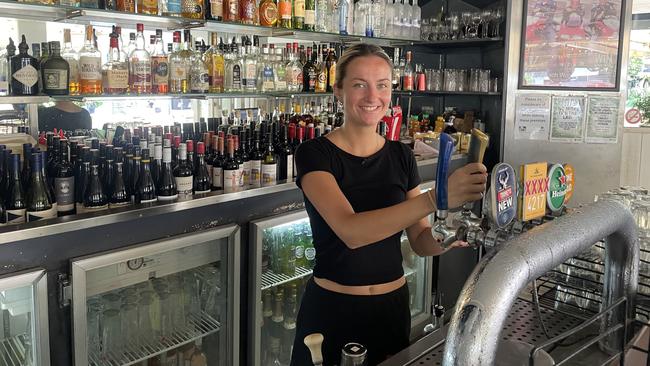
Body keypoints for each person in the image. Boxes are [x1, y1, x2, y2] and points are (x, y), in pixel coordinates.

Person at [290, 43, 488, 366]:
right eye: (359, 84)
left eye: (382, 85)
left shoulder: (401, 156)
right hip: (331, 312)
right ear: (338, 90)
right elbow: (351, 231)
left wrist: (449, 235)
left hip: (391, 310)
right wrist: (435, 198)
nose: (372, 96)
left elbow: (421, 242)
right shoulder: (314, 154)